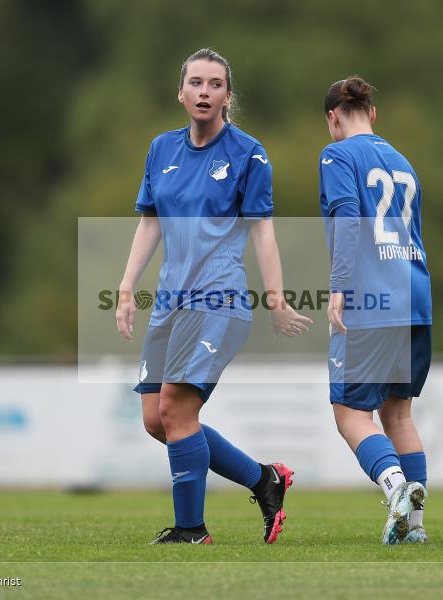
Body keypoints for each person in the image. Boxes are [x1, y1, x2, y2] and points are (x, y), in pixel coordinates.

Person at [115, 48, 312, 545]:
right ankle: (265, 479)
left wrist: (276, 298)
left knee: (178, 411)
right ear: (181, 93)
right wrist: (125, 286)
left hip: (218, 299)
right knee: (156, 419)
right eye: (196, 83)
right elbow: (150, 222)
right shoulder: (161, 149)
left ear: (228, 96)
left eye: (215, 84)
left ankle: (191, 530)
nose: (205, 92)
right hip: (169, 300)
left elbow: (262, 230)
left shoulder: (248, 153)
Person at [319, 76, 431, 544]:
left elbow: (348, 216)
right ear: (373, 113)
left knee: (349, 413)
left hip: (372, 298)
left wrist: (339, 285)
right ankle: (414, 530)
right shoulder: (403, 162)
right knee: (399, 416)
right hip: (415, 296)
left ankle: (395, 491)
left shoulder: (337, 154)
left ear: (333, 118)